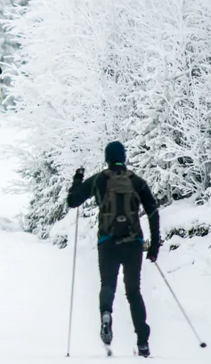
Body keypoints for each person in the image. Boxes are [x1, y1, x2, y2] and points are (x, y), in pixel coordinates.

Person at [67, 142, 160, 358]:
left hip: (107, 242)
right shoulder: (136, 181)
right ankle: (143, 343)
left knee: (108, 284)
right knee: (133, 292)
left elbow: (73, 201)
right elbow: (153, 211)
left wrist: (77, 180)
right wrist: (154, 245)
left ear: (106, 158)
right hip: (133, 243)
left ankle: (106, 314)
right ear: (124, 157)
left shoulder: (100, 179)